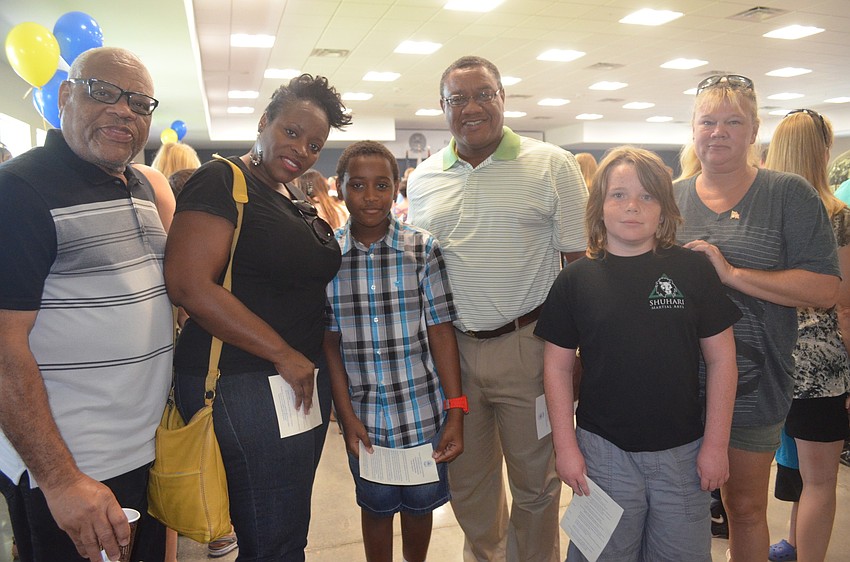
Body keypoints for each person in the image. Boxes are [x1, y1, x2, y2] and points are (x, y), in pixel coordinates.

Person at [406, 55, 588, 562]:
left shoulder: (552, 164)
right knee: (468, 484)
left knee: (537, 484)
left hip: (529, 348)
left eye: (484, 94)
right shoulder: (423, 179)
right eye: (458, 98)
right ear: (442, 107)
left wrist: (578, 354)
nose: (472, 107)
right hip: (453, 355)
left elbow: (578, 265)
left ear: (503, 98)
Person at [163, 74, 351, 561]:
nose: (301, 150)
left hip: (294, 380)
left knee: (286, 530)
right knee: (272, 539)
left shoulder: (290, 195)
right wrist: (283, 353)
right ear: (265, 121)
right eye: (291, 132)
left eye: (314, 145)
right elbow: (188, 285)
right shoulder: (222, 180)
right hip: (244, 379)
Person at [0, 46, 171, 562]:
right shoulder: (19, 191)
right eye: (103, 92)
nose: (123, 111)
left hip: (141, 456)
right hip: (75, 470)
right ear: (65, 96)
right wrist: (61, 480)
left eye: (139, 103)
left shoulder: (138, 185)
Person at [536, 146, 740, 561]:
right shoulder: (575, 280)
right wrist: (565, 447)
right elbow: (556, 369)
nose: (633, 206)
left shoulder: (692, 270)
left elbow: (722, 360)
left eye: (647, 196)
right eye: (619, 195)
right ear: (599, 206)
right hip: (602, 454)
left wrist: (716, 445)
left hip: (683, 455)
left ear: (664, 210)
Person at [674, 74, 840, 562]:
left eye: (733, 121)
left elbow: (825, 289)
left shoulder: (787, 194)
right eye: (708, 121)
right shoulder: (669, 197)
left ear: (754, 131)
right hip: (674, 386)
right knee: (677, 507)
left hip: (755, 383)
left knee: (744, 507)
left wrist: (731, 273)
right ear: (693, 129)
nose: (718, 132)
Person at [323, 140, 464, 562]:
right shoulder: (327, 257)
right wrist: (345, 416)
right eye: (358, 185)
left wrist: (455, 410)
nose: (370, 196)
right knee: (376, 507)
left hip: (423, 413)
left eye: (381, 185)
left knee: (421, 506)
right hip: (364, 417)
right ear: (339, 187)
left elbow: (441, 332)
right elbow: (329, 344)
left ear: (396, 187)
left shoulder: (422, 248)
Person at [764, 108, 850, 562]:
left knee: (765, 476)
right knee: (819, 480)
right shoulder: (837, 216)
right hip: (819, 366)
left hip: (763, 358)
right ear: (823, 151)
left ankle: (791, 545)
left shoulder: (760, 214)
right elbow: (844, 302)